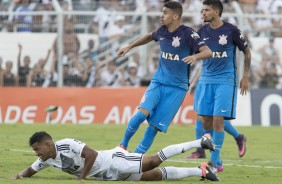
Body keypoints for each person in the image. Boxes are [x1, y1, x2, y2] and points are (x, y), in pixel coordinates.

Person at [118, 1, 212, 154]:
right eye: (162, 12)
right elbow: (149, 36)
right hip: (158, 83)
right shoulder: (162, 31)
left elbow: (208, 52)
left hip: (177, 89)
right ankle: (122, 145)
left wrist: (196, 57)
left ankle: (135, 158)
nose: (162, 16)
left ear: (176, 16)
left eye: (165, 13)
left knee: (154, 127)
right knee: (141, 114)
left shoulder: (188, 34)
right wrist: (129, 46)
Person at [13, 131, 219, 181]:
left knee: (153, 161)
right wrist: (20, 176)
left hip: (113, 161)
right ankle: (201, 170)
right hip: (109, 175)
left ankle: (199, 141)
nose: (37, 153)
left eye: (37, 149)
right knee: (155, 176)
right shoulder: (46, 159)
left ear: (48, 144)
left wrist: (82, 177)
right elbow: (30, 170)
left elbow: (91, 154)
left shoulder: (66, 144)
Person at [186, 9, 247, 168]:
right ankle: (216, 158)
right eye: (201, 10)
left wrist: (245, 76)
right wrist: (191, 82)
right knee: (206, 120)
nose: (202, 13)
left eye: (206, 10)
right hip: (205, 81)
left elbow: (247, 52)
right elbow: (199, 58)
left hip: (225, 80)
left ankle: (213, 161)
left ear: (216, 11)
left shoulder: (231, 30)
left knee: (218, 119)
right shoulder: (201, 32)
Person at [186, 63, 247, 166]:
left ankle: (238, 137)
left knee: (216, 118)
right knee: (201, 116)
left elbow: (203, 62)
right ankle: (201, 150)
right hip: (202, 81)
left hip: (212, 80)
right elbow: (202, 65)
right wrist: (193, 83)